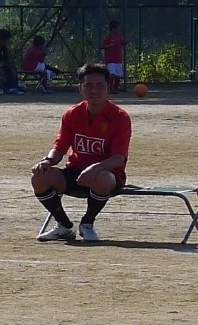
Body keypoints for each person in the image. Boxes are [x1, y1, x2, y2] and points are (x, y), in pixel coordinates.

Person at [32, 62, 131, 243]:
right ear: (80, 88)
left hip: (106, 174)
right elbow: (59, 147)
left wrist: (95, 168)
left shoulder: (120, 117)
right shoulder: (72, 114)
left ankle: (87, 224)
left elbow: (119, 158)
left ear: (108, 87)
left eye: (100, 85)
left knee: (103, 178)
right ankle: (64, 226)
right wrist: (47, 161)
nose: (94, 90)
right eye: (88, 85)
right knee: (39, 176)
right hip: (75, 173)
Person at [102, 20, 128, 93]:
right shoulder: (108, 37)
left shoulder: (119, 37)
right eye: (118, 28)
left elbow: (123, 42)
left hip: (118, 59)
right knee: (112, 75)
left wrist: (126, 42)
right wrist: (109, 45)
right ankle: (109, 89)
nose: (119, 29)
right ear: (113, 28)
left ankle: (115, 88)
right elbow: (103, 46)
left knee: (117, 76)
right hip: (110, 60)